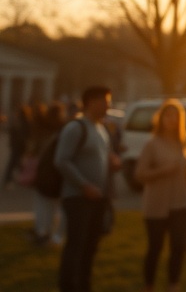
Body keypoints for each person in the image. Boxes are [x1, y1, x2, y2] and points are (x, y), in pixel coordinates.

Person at [55, 85, 120, 292]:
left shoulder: (101, 128)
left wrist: (111, 162)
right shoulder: (76, 128)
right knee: (76, 246)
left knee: (90, 247)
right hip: (78, 198)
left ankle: (84, 285)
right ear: (91, 102)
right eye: (105, 102)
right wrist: (84, 185)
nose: (108, 106)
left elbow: (102, 157)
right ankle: (68, 286)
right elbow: (61, 160)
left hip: (98, 198)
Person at [134, 99, 186, 292]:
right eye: (168, 115)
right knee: (155, 247)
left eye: (176, 116)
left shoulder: (184, 144)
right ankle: (149, 285)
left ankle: (173, 284)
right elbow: (140, 174)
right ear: (160, 119)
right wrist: (163, 171)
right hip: (157, 205)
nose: (172, 120)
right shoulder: (152, 144)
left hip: (180, 204)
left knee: (178, 247)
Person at [30, 100, 68, 247]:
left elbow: (36, 147)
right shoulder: (64, 129)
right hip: (55, 173)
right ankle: (51, 234)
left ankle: (42, 232)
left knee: (43, 204)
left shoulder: (43, 126)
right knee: (54, 206)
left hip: (45, 171)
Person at [4, 102, 31, 189]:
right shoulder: (26, 122)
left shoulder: (18, 121)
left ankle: (11, 178)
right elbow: (27, 135)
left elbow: (13, 134)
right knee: (16, 161)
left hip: (16, 145)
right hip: (21, 145)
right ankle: (11, 178)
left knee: (15, 161)